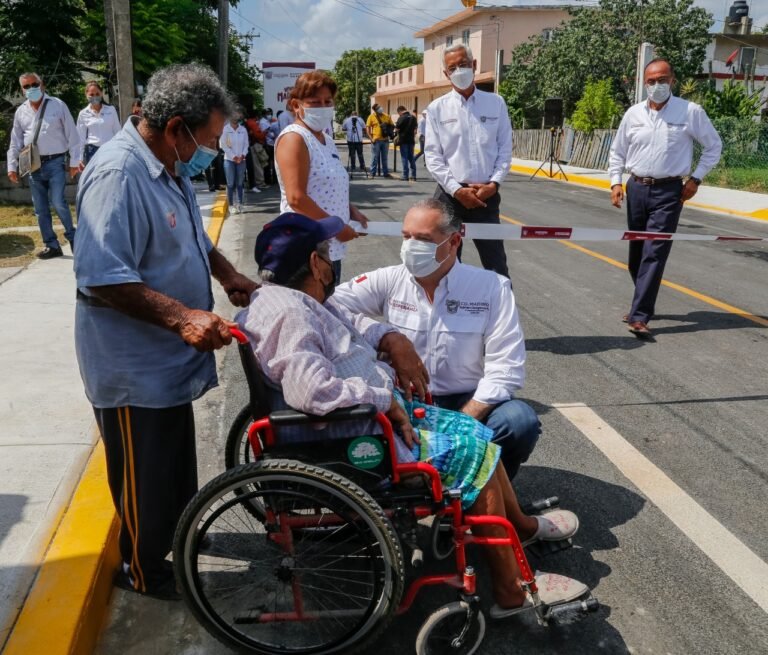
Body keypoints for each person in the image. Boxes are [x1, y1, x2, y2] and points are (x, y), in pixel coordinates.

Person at [237, 211, 585, 617]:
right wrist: (382, 398)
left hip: (380, 416)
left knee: (486, 433)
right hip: (359, 433)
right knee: (474, 455)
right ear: (315, 264)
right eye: (326, 252)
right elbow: (311, 391)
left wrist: (391, 337)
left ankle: (519, 529)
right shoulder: (294, 314)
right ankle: (510, 590)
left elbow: (346, 318)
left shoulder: (288, 299)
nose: (332, 260)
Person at [73, 63, 258, 601]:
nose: (211, 151)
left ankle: (166, 546)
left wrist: (226, 273)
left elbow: (193, 237)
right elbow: (102, 278)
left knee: (172, 475)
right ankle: (141, 571)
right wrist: (183, 318)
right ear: (177, 127)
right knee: (142, 482)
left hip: (167, 363)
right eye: (207, 139)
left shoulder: (168, 165)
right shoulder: (118, 175)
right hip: (135, 369)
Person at [335, 198, 541, 479]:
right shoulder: (389, 279)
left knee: (519, 421)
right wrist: (386, 336)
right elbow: (328, 305)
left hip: (467, 401)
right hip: (406, 399)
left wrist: (462, 420)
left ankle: (483, 492)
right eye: (406, 236)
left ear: (454, 241)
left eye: (422, 239)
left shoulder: (491, 288)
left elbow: (506, 369)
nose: (410, 247)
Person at [609, 58, 722, 338]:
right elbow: (617, 151)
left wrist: (696, 179)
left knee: (655, 251)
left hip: (669, 191)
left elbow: (713, 146)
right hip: (636, 188)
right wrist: (615, 183)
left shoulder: (689, 111)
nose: (656, 85)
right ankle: (643, 302)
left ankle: (640, 315)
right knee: (636, 255)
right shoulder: (633, 114)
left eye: (662, 80)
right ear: (644, 83)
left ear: (672, 81)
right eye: (651, 81)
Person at [425, 44, 513, 279]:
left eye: (463, 65)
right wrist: (456, 190)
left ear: (473, 66)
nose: (459, 71)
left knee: (496, 265)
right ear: (446, 74)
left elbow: (504, 149)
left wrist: (493, 185)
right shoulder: (436, 109)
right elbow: (433, 157)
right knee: (447, 265)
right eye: (452, 68)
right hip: (449, 198)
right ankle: (449, 313)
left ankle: (502, 314)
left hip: (487, 197)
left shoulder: (496, 103)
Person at [274, 70, 369, 280]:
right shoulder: (295, 139)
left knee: (326, 307)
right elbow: (296, 198)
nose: (324, 108)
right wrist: (336, 228)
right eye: (315, 102)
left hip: (329, 248)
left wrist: (349, 210)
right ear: (296, 105)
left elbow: (326, 185)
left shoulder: (326, 139)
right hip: (306, 248)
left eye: (328, 101)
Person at [6, 71, 81, 259]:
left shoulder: (57, 105)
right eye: (26, 86)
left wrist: (74, 161)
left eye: (34, 84)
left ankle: (73, 238)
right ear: (22, 90)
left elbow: (72, 134)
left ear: (42, 84)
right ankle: (52, 245)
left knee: (58, 202)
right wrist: (11, 166)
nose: (31, 88)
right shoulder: (21, 111)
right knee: (40, 209)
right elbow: (15, 141)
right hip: (33, 165)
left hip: (55, 161)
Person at [77, 80, 121, 167]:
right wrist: (79, 158)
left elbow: (118, 131)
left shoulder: (111, 110)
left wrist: (120, 149)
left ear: (101, 94)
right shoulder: (83, 113)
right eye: (91, 95)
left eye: (97, 94)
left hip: (110, 149)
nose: (95, 97)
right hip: (92, 151)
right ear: (86, 95)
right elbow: (80, 137)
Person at [220, 113, 249, 213]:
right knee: (230, 183)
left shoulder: (243, 129)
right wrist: (234, 157)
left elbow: (246, 144)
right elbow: (223, 145)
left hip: (241, 160)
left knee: (240, 183)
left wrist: (243, 155)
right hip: (229, 160)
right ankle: (231, 205)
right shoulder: (225, 129)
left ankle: (240, 203)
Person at [366, 103, 395, 178]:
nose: (380, 108)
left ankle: (386, 173)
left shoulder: (386, 116)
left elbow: (392, 126)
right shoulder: (371, 117)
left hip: (385, 140)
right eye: (378, 108)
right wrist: (371, 138)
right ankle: (372, 173)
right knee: (374, 157)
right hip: (376, 141)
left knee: (385, 158)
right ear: (375, 110)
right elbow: (368, 128)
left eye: (380, 107)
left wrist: (388, 130)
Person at [395, 105, 417, 181]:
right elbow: (415, 130)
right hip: (411, 141)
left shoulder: (401, 118)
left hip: (403, 141)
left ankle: (405, 176)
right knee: (411, 158)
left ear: (400, 111)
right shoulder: (413, 117)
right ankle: (413, 176)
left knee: (404, 158)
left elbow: (397, 129)